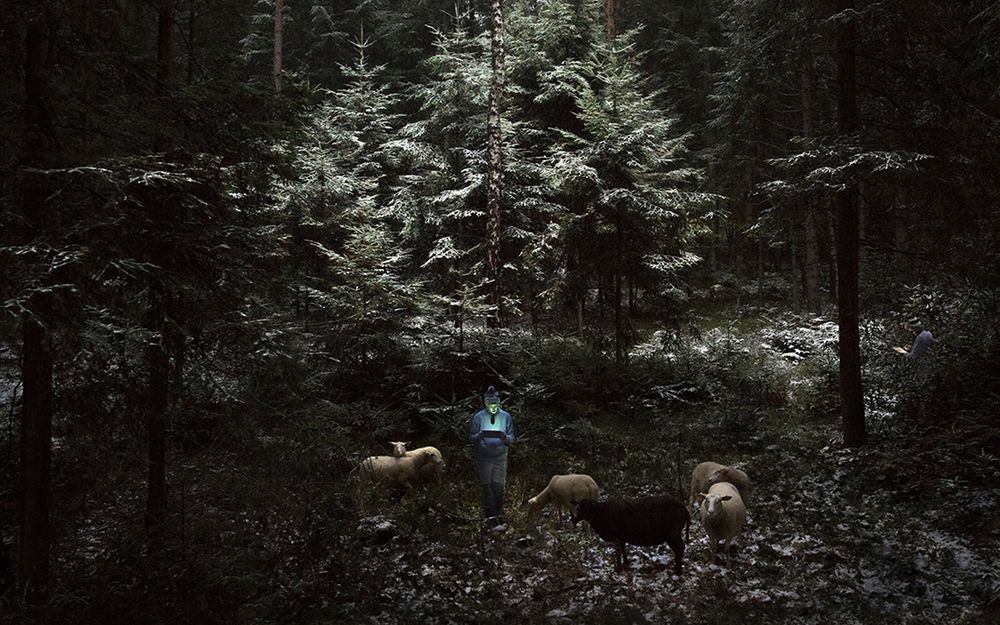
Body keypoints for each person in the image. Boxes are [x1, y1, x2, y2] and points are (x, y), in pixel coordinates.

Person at [468, 385, 515, 526]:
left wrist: (504, 437)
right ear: (485, 403)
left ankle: (499, 515)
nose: (492, 406)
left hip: (500, 458)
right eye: (489, 403)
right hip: (483, 458)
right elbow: (471, 438)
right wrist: (479, 435)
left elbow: (512, 438)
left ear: (498, 402)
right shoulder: (478, 417)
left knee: (499, 488)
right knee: (487, 488)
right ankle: (490, 519)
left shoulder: (506, 417)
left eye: (494, 403)